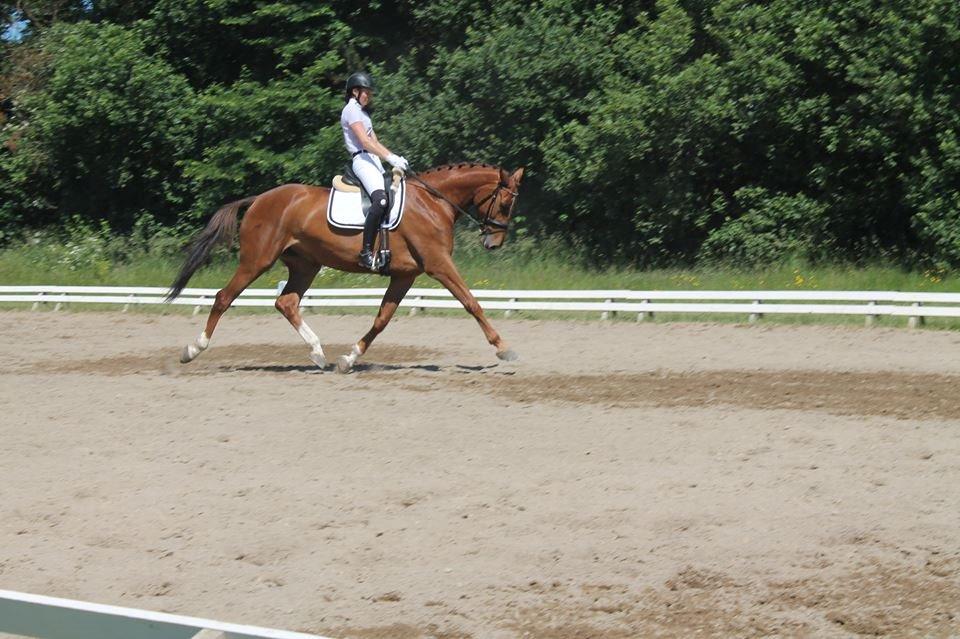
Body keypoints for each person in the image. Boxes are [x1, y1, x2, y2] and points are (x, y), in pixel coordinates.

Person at [341, 71, 409, 271]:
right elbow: (364, 142)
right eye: (366, 92)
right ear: (355, 91)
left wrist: (394, 158)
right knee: (380, 201)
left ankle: (386, 247)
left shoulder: (363, 113)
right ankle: (365, 253)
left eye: (370, 93)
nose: (369, 96)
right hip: (361, 159)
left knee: (393, 197)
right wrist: (391, 158)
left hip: (372, 159)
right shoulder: (351, 110)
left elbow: (375, 142)